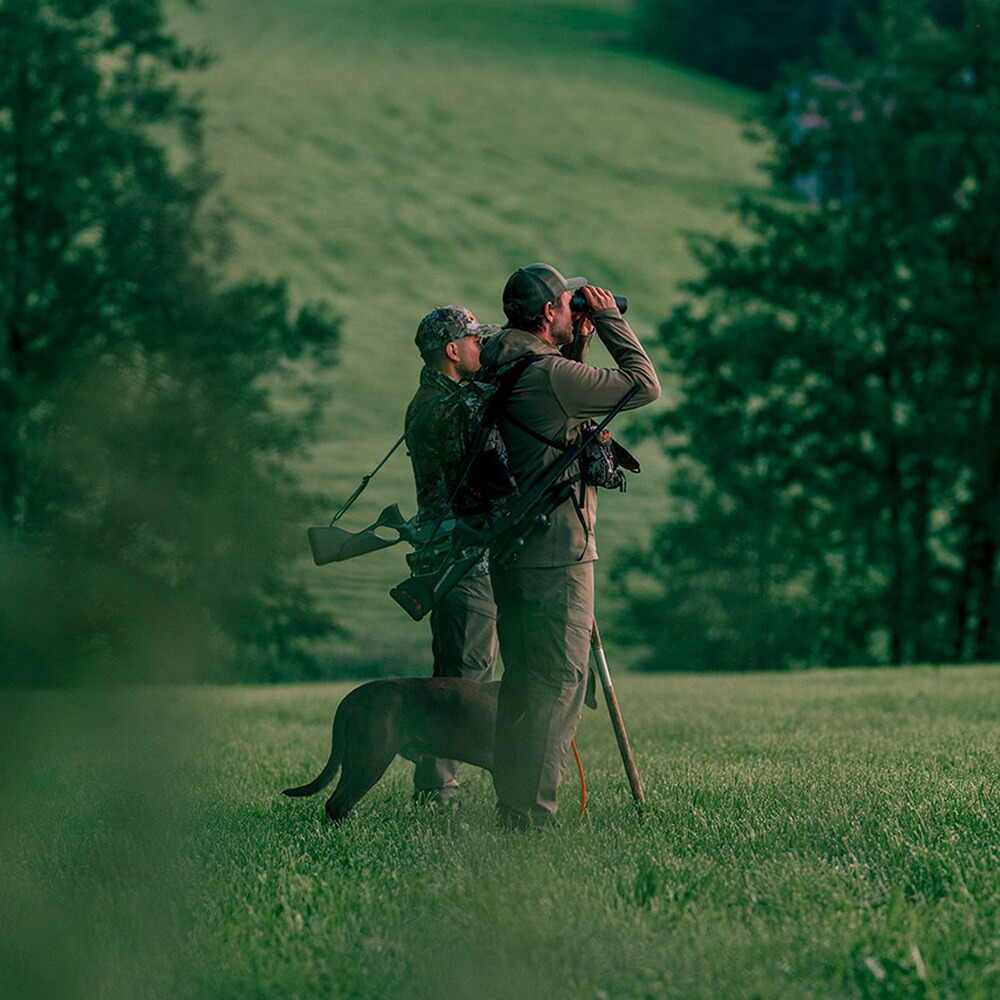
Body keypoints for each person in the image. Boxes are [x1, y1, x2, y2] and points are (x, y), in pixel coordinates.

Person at [478, 263, 661, 830]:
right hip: (558, 556)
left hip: (515, 553)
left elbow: (561, 411)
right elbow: (643, 384)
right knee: (559, 684)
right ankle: (531, 818)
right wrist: (606, 317)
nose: (573, 307)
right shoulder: (550, 375)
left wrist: (575, 345)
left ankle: (513, 809)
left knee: (524, 685)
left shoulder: (506, 367)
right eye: (566, 301)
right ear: (550, 313)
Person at [405, 305, 501, 809]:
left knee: (458, 670)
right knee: (463, 678)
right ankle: (437, 791)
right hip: (463, 562)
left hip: (456, 559)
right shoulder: (448, 407)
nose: (482, 349)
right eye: (475, 341)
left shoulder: (432, 400)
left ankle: (436, 785)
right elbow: (499, 402)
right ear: (452, 350)